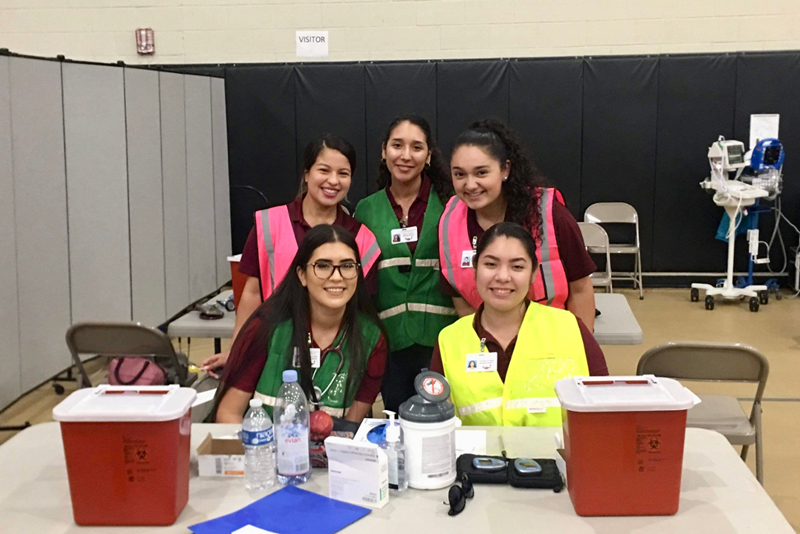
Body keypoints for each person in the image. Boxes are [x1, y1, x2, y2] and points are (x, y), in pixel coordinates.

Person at [202, 135, 380, 375]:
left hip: (336, 360)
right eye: (324, 170)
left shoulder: (363, 239)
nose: (333, 181)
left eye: (343, 174)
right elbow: (252, 294)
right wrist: (237, 351)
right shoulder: (269, 224)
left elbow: (361, 313)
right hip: (273, 353)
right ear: (306, 174)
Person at [431, 222, 608, 426]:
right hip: (476, 458)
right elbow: (438, 426)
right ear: (475, 268)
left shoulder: (570, 328)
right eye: (490, 264)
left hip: (559, 457)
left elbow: (604, 414)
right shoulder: (450, 340)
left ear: (533, 273)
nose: (503, 277)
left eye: (517, 267)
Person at [213, 224, 388, 424]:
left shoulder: (372, 338)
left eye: (347, 266)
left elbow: (350, 428)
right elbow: (228, 414)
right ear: (302, 275)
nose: (337, 277)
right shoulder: (266, 327)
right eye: (323, 266)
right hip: (261, 449)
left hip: (331, 453)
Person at [439, 119, 597, 331]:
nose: (470, 184)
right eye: (459, 174)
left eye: (481, 172)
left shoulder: (550, 214)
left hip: (553, 342)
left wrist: (581, 348)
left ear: (505, 170)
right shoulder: (449, 222)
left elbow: (580, 289)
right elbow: (461, 300)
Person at [354, 114, 457, 413]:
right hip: (390, 342)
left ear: (428, 156)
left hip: (442, 339)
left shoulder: (452, 204)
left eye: (416, 147)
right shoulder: (365, 209)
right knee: (397, 422)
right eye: (397, 145)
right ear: (384, 151)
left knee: (444, 418)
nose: (406, 155)